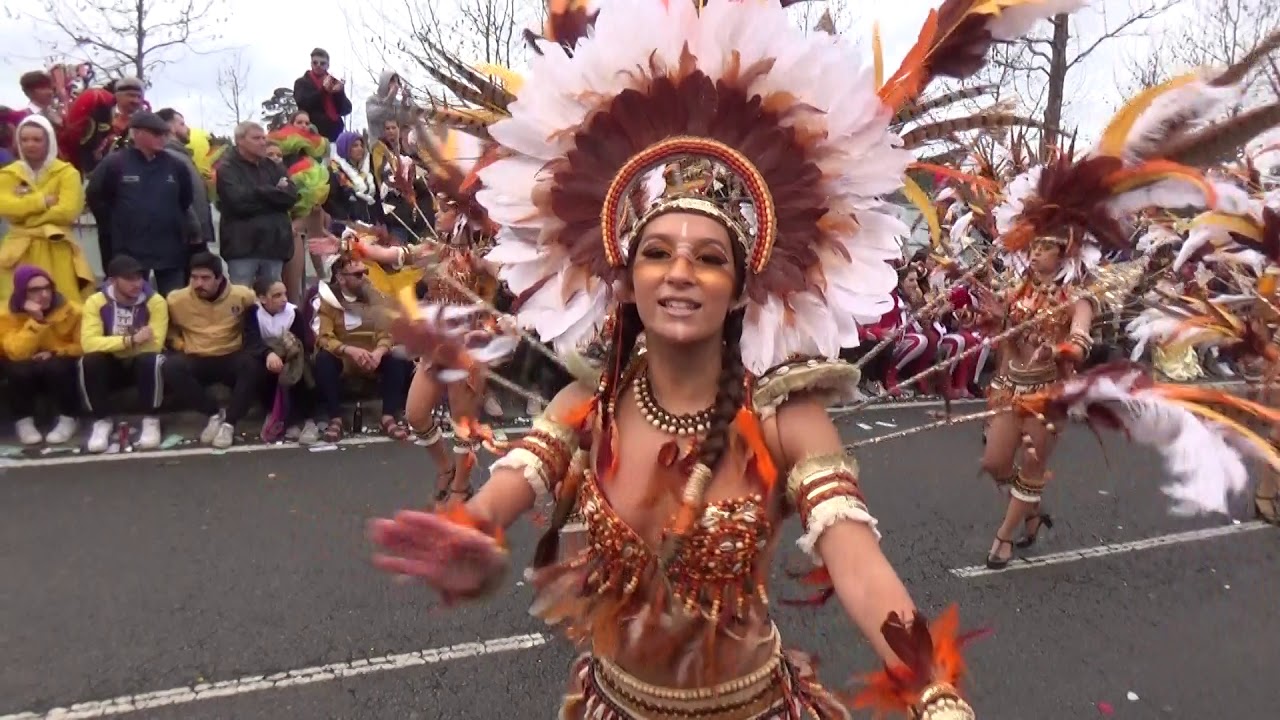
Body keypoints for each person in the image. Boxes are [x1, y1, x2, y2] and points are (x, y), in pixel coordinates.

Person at [362, 1, 1091, 716]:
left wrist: (932, 688)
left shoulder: (784, 418)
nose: (679, 272)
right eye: (657, 253)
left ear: (743, 284)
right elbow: (497, 504)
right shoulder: (587, 405)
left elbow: (858, 564)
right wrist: (475, 542)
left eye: (709, 258)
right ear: (627, 275)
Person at [85, 111, 195, 294]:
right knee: (131, 301)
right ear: (136, 134)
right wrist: (116, 224)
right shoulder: (115, 163)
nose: (161, 138)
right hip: (129, 250)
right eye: (155, 133)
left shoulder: (176, 166)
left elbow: (185, 199)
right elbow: (96, 196)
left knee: (174, 301)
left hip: (169, 249)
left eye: (164, 134)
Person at [161, 252, 260, 449]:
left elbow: (253, 328)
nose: (199, 283)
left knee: (252, 365)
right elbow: (168, 333)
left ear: (219, 278)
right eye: (194, 278)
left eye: (205, 278)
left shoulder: (242, 296)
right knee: (171, 366)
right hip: (196, 355)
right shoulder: (175, 300)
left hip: (230, 353)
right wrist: (181, 346)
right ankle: (214, 414)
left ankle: (229, 424)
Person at [312, 253, 412, 442]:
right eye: (358, 275)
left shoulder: (377, 297)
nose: (365, 277)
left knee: (398, 356)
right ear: (341, 278)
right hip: (344, 357)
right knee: (323, 359)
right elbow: (324, 337)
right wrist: (349, 351)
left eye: (365, 272)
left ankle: (388, 417)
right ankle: (336, 419)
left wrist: (379, 352)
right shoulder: (329, 301)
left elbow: (387, 333)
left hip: (374, 356)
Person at [79, 255, 168, 453]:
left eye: (138, 277)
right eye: (128, 279)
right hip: (112, 362)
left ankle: (151, 419)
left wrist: (114, 343)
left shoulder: (155, 302)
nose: (136, 284)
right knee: (91, 360)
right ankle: (102, 420)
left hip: (139, 361)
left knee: (151, 360)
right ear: (112, 281)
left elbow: (155, 345)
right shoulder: (96, 302)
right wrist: (130, 341)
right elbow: (89, 343)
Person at [0, 114, 92, 306]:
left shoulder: (67, 173)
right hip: (17, 252)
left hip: (56, 248)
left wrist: (27, 220)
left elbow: (67, 211)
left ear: (49, 141)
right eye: (24, 139)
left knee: (62, 304)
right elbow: (5, 207)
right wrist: (41, 201)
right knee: (15, 305)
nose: (30, 144)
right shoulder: (8, 173)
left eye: (36, 139)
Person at [0, 265, 81, 445]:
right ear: (22, 293)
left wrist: (55, 351)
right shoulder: (5, 314)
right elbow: (15, 352)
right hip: (25, 362)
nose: (44, 294)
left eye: (47, 288)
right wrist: (36, 321)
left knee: (58, 366)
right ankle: (24, 421)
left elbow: (83, 345)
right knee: (17, 369)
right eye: (35, 290)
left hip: (58, 360)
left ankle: (68, 418)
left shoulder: (72, 311)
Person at [215, 121, 298, 288]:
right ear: (239, 140)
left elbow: (290, 197)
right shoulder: (227, 168)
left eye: (263, 138)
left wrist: (257, 193)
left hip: (274, 247)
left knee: (273, 300)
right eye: (256, 138)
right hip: (242, 248)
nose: (263, 142)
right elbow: (237, 202)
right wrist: (272, 193)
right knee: (242, 301)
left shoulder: (274, 167)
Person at [243, 278, 317, 444]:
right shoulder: (253, 313)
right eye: (277, 295)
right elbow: (251, 341)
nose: (284, 299)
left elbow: (301, 343)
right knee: (258, 370)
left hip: (291, 355)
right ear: (262, 298)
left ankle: (307, 420)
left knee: (301, 370)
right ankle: (273, 414)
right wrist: (268, 353)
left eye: (285, 294)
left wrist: (287, 354)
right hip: (265, 356)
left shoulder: (293, 313)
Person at [156, 108, 216, 250]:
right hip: (184, 238)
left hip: (194, 235)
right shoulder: (169, 156)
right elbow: (176, 197)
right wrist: (193, 228)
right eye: (182, 124)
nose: (187, 128)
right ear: (170, 127)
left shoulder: (183, 155)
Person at [292, 48, 353, 142]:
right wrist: (323, 91)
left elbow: (346, 109)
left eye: (322, 63)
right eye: (315, 63)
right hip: (311, 135)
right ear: (311, 64)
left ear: (328, 65)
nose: (318, 66)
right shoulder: (302, 82)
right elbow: (303, 104)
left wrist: (339, 93)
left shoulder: (334, 82)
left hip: (334, 135)